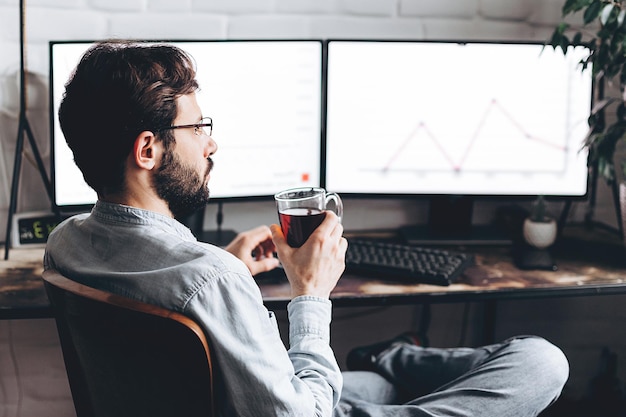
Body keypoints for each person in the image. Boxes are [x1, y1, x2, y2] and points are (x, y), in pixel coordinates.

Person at [44, 40, 569, 417]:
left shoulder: (65, 242)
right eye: (198, 127)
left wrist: (227, 262)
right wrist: (311, 294)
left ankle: (387, 360)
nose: (211, 144)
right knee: (541, 361)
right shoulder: (212, 280)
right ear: (149, 150)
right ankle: (391, 356)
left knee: (375, 382)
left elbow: (174, 313)